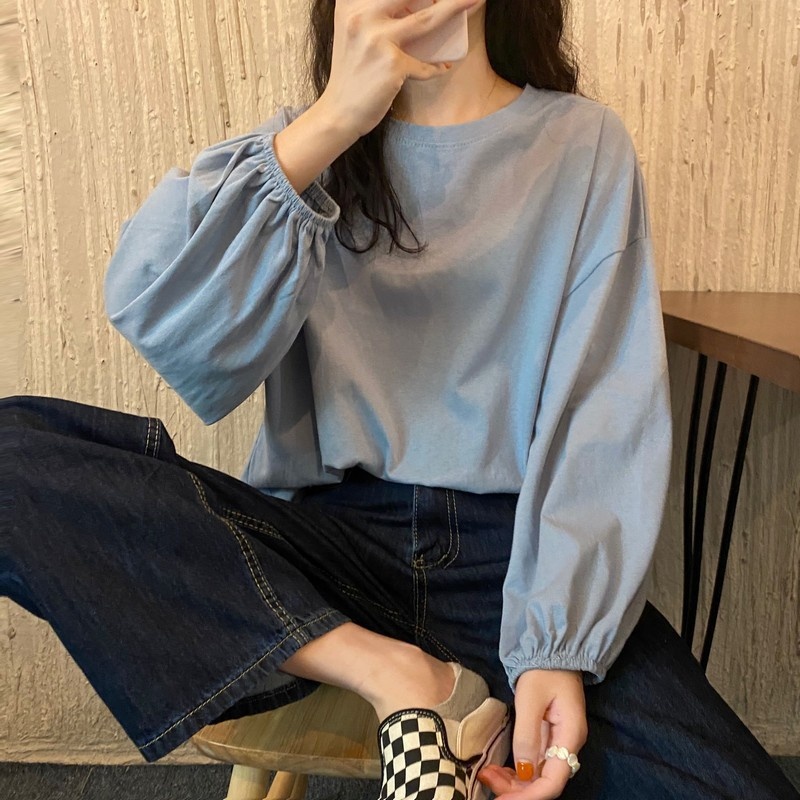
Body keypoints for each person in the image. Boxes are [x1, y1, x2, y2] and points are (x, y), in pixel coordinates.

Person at [1, 1, 798, 798]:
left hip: (515, 559)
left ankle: (434, 696)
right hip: (327, 544)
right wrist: (333, 121)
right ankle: (401, 679)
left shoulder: (582, 144)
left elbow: (603, 410)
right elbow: (160, 314)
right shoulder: (303, 146)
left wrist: (555, 645)